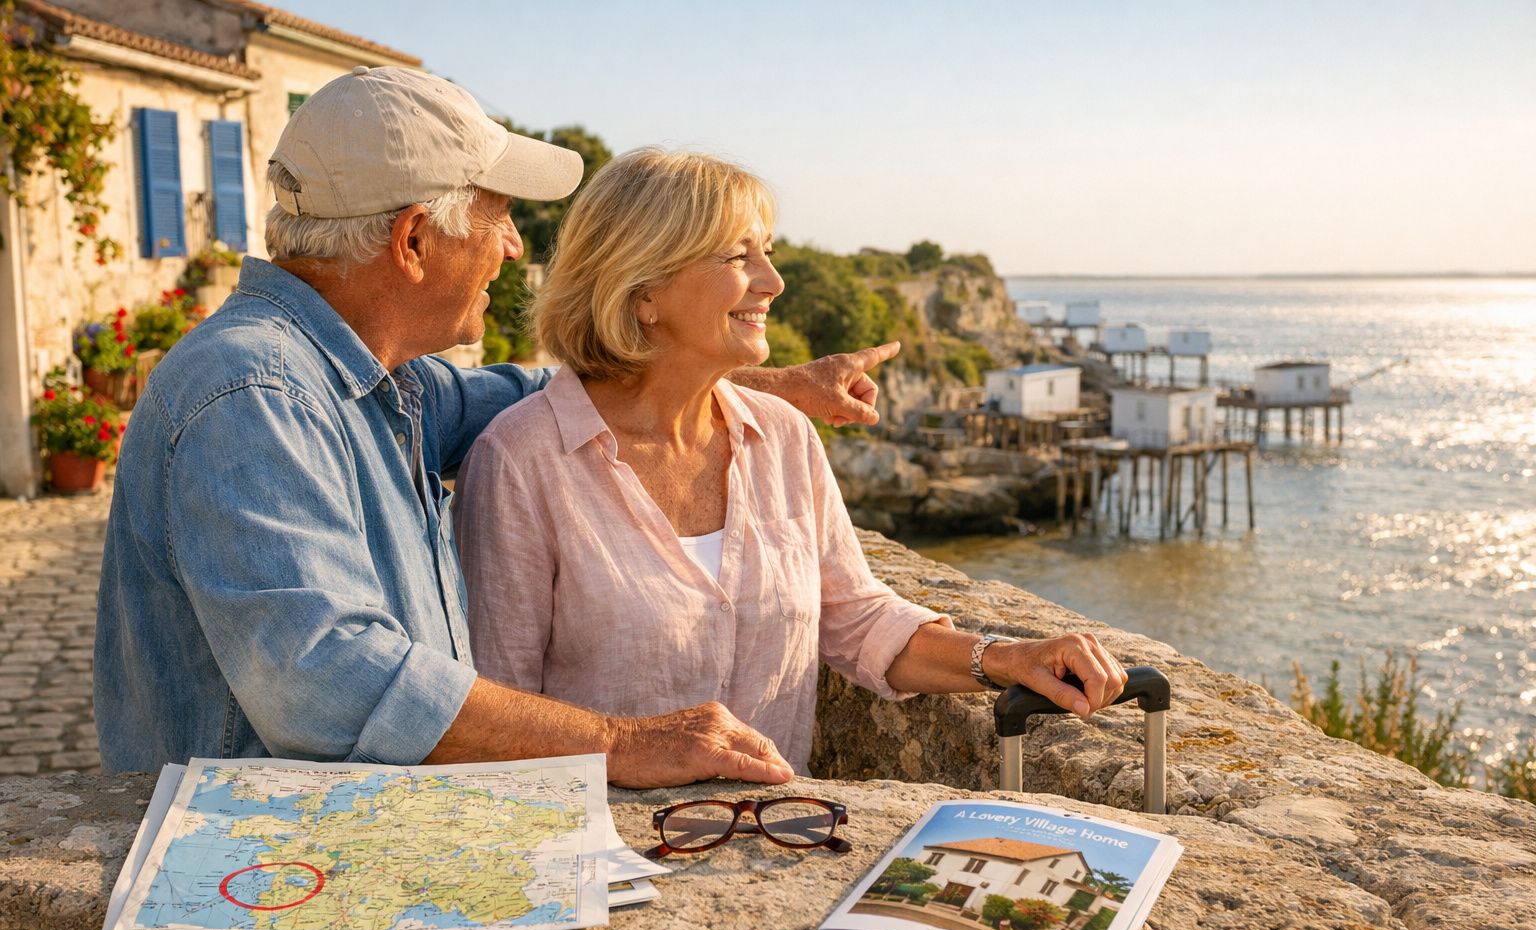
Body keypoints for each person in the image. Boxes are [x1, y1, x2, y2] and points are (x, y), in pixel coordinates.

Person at [92, 68, 895, 786]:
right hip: (270, 863)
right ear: (413, 240)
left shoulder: (385, 383)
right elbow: (327, 678)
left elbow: (570, 393)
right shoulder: (256, 394)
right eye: (498, 216)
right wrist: (622, 743)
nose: (513, 247)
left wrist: (757, 381)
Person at [455, 149, 1128, 776]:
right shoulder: (521, 460)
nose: (773, 282)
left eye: (768, 253)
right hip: (608, 848)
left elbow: (857, 618)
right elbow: (498, 716)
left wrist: (1005, 658)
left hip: (776, 830)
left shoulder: (782, 436)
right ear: (644, 287)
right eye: (738, 256)